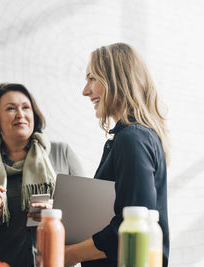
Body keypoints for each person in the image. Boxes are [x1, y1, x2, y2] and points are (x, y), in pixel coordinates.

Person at [64, 43, 169, 267]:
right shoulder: (129, 138)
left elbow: (131, 227)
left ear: (116, 80)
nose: (85, 91)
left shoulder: (132, 139)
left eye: (92, 79)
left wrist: (69, 255)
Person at [0, 83, 82, 267]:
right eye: (10, 108)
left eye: (26, 107)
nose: (20, 114)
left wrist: (56, 213)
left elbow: (88, 217)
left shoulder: (61, 153)